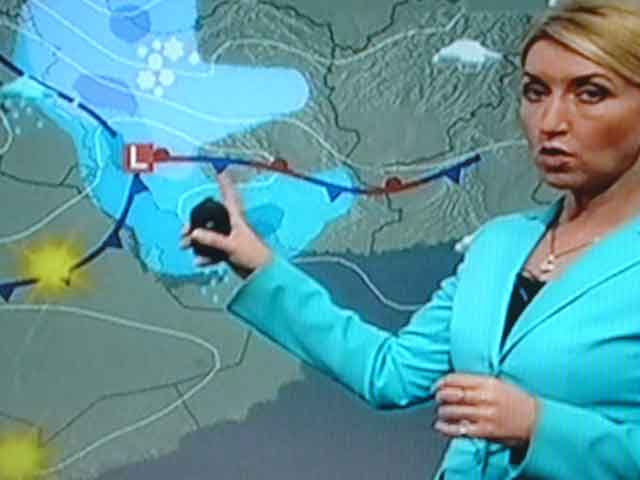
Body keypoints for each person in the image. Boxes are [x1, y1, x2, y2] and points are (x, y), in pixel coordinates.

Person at [180, 1, 640, 478]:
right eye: (535, 92)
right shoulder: (500, 245)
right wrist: (257, 263)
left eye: (590, 93)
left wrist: (536, 426)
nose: (550, 122)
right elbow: (391, 373)